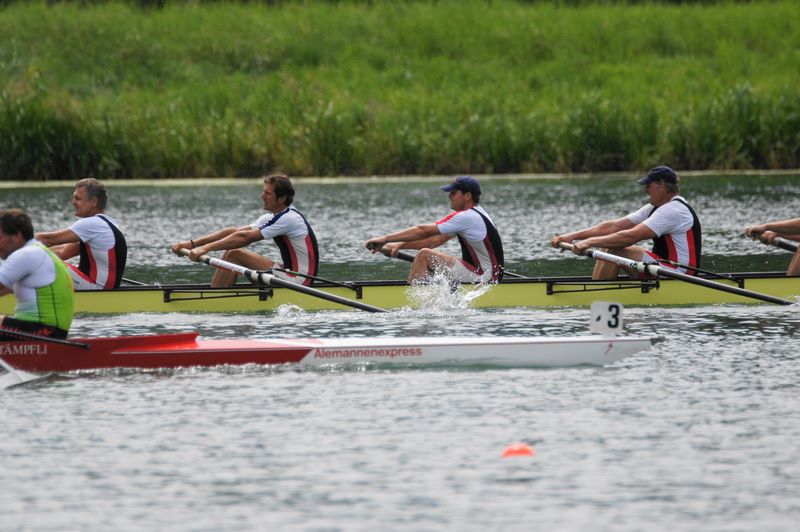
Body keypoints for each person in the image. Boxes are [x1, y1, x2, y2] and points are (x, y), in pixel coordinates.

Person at [550, 166, 701, 280]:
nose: (645, 190)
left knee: (616, 248)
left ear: (662, 185)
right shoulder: (655, 208)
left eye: (648, 185)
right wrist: (572, 236)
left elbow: (630, 237)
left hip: (680, 274)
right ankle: (597, 290)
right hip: (662, 267)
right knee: (607, 245)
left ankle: (598, 298)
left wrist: (589, 242)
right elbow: (614, 226)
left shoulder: (674, 210)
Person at [171, 173, 319, 287]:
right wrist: (193, 244)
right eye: (263, 192)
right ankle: (218, 293)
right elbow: (235, 232)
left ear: (281, 199)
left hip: (300, 281)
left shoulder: (289, 218)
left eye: (268, 194)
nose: (262, 196)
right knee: (232, 253)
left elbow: (244, 238)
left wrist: (205, 249)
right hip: (287, 273)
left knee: (234, 254)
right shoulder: (273, 216)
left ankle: (214, 300)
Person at [365, 175, 504, 284]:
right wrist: (399, 245)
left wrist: (385, 239)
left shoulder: (467, 217)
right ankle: (422, 293)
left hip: (486, 278)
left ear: (467, 196)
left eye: (453, 193)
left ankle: (413, 300)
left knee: (424, 255)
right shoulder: (475, 214)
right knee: (426, 254)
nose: (449, 196)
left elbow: (423, 231)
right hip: (485, 274)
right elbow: (433, 241)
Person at [36, 178, 127, 290]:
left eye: (78, 199)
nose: (73, 202)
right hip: (99, 286)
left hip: (97, 289)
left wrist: (19, 246)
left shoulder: (93, 224)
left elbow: (48, 240)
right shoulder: (107, 224)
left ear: (93, 202)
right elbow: (63, 252)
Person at [0, 209, 74, 340]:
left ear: (17, 235)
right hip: (48, 332)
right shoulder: (39, 252)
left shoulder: (28, 254)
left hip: (45, 332)